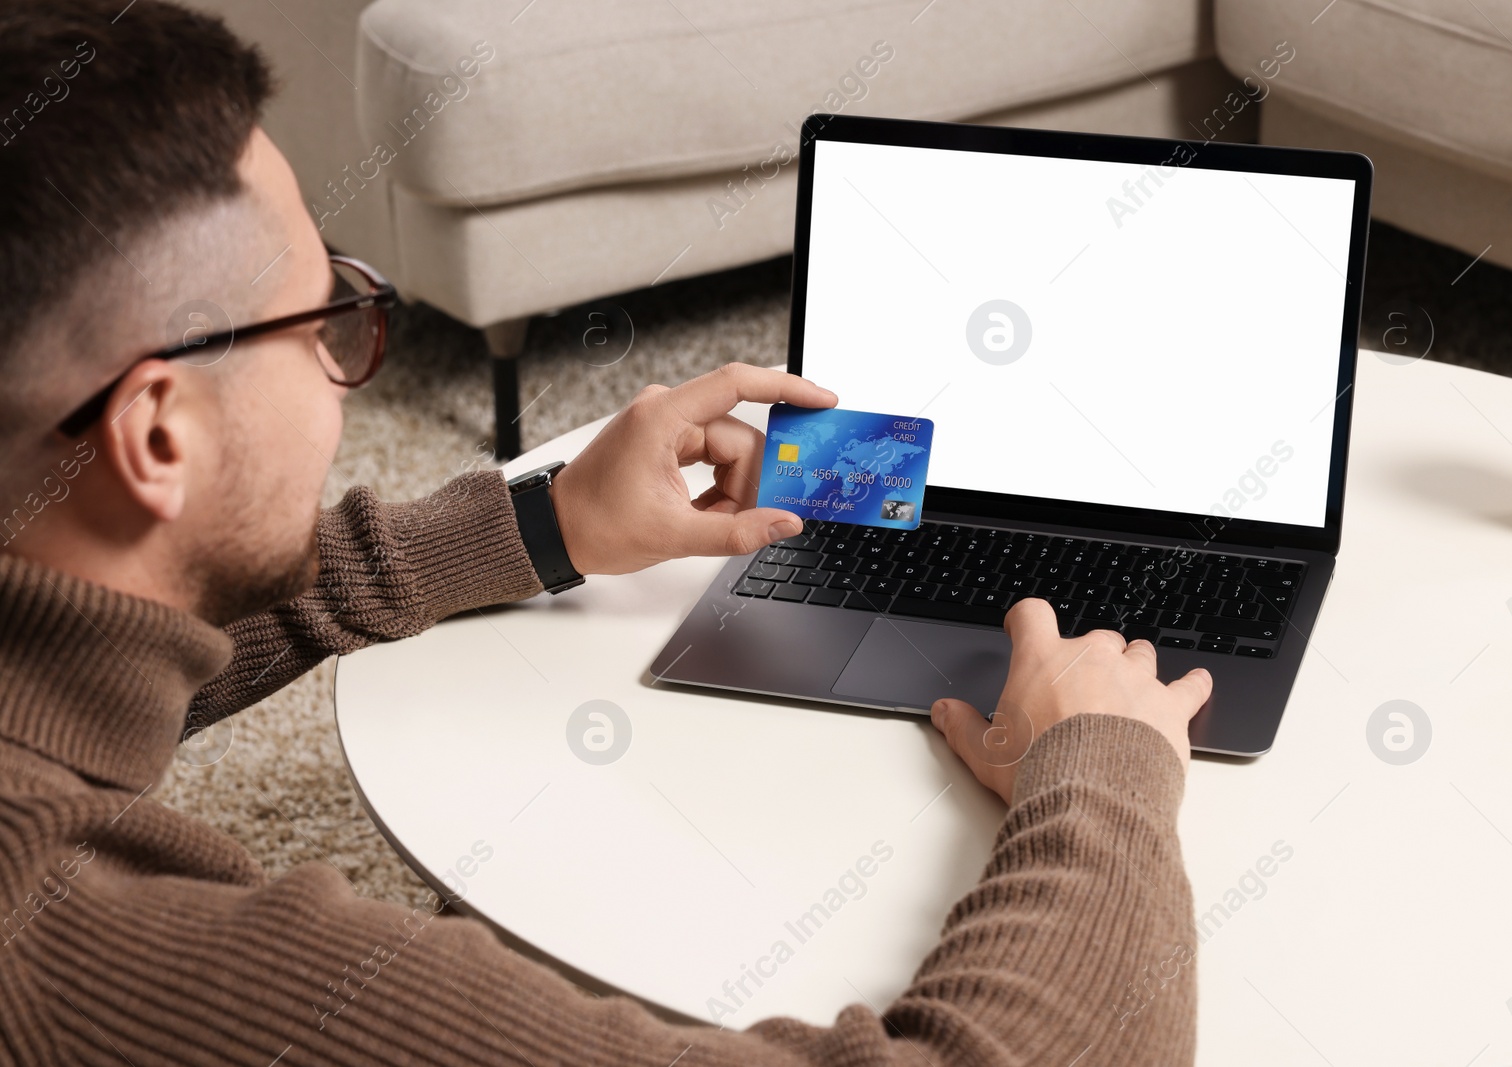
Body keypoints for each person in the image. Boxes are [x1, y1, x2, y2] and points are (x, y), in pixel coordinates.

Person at [0, 2, 1213, 1063]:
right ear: (157, 436)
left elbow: (100, 638)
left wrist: (551, 519)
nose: (339, 372)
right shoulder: (90, 950)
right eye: (327, 320)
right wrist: (1101, 765)